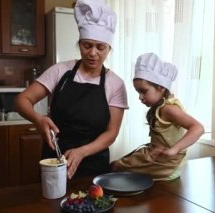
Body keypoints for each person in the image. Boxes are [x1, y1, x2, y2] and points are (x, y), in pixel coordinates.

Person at [15, 0, 128, 179]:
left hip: (94, 163)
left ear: (109, 49)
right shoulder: (60, 70)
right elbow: (22, 100)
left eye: (100, 47)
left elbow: (111, 133)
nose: (93, 53)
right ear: (79, 43)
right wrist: (38, 119)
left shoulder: (115, 84)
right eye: (87, 45)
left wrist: (82, 152)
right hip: (55, 159)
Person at [111, 53, 204, 181]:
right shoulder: (161, 107)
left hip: (166, 164)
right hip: (157, 156)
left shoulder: (169, 109)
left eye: (144, 91)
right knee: (119, 164)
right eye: (138, 92)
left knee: (115, 167)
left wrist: (174, 149)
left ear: (160, 88)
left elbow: (198, 128)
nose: (140, 97)